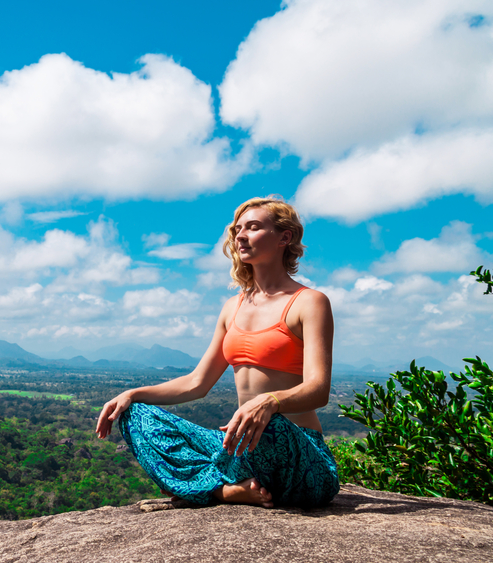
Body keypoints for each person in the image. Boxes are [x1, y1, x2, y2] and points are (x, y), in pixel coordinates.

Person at [95, 195, 339, 508]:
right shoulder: (232, 307)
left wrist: (271, 401)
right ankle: (224, 491)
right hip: (242, 448)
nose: (240, 236)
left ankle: (207, 485)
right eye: (238, 229)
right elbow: (197, 383)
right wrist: (132, 394)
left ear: (284, 237)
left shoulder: (309, 302)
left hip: (298, 452)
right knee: (135, 414)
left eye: (253, 227)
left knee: (271, 424)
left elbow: (319, 390)